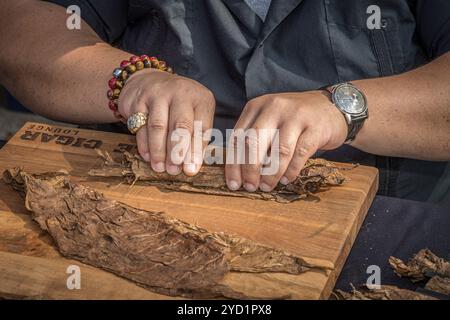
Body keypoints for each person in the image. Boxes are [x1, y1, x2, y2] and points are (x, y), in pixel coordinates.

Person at [0, 0, 449, 201]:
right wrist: (132, 79)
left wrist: (345, 109)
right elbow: (23, 24)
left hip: (379, 211)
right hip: (141, 201)